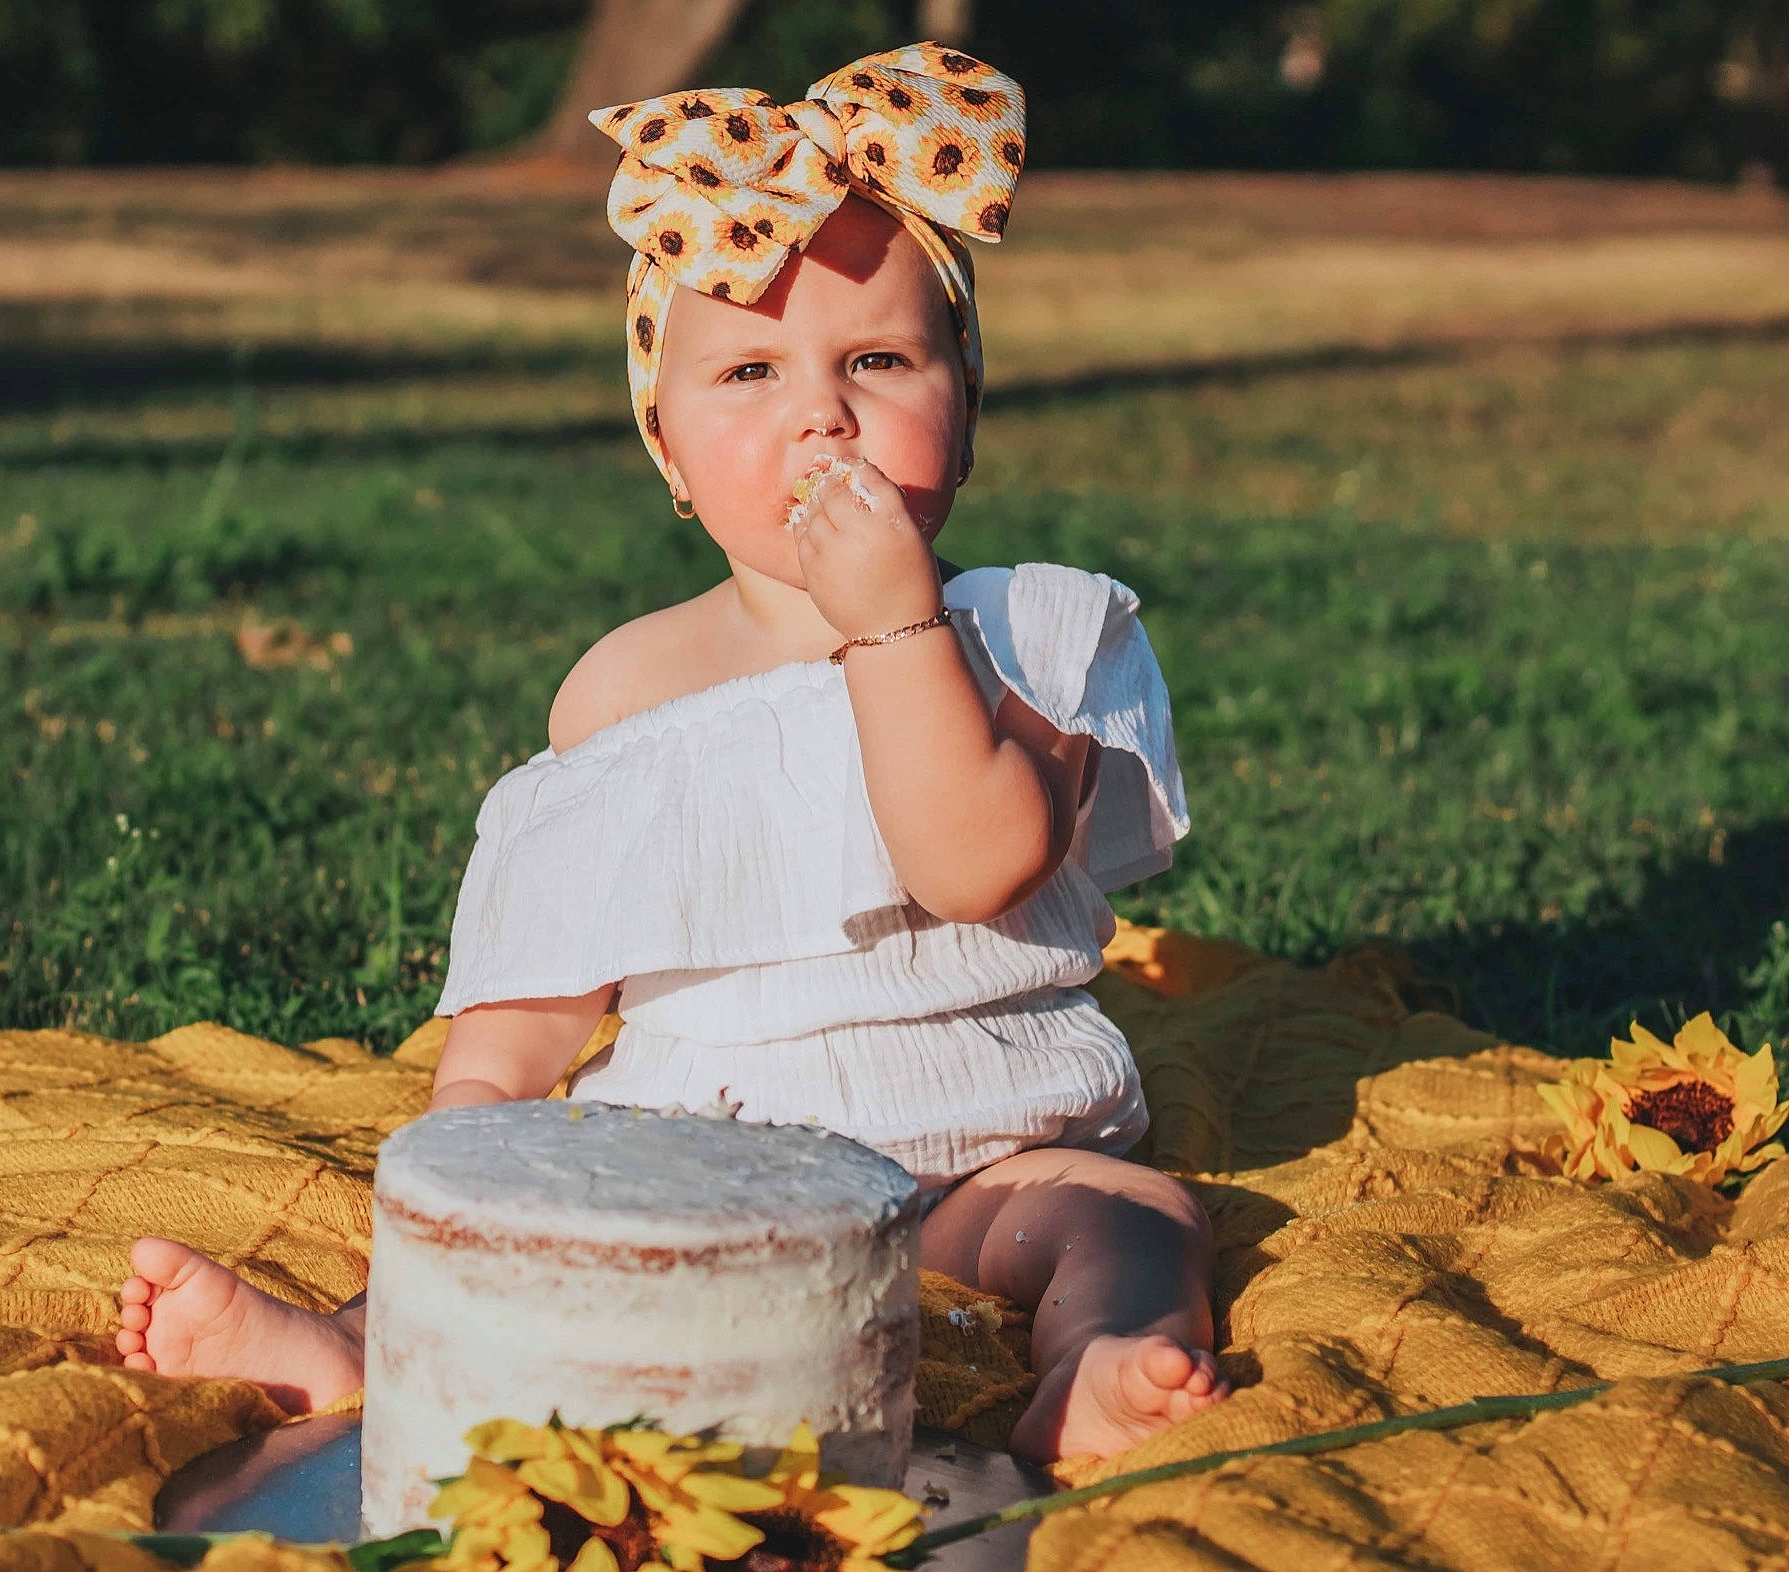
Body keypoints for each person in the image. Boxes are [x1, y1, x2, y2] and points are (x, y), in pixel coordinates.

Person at [117, 42, 1228, 1463]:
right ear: (669, 448)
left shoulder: (1034, 634)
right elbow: (549, 960)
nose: (822, 413)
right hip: (706, 1151)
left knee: (1135, 1221)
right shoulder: (631, 686)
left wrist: (898, 630)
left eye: (879, 361)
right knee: (542, 1230)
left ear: (966, 408)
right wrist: (482, 1114)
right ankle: (355, 1341)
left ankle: (1094, 1365)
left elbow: (976, 864)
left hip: (992, 1153)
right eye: (751, 370)